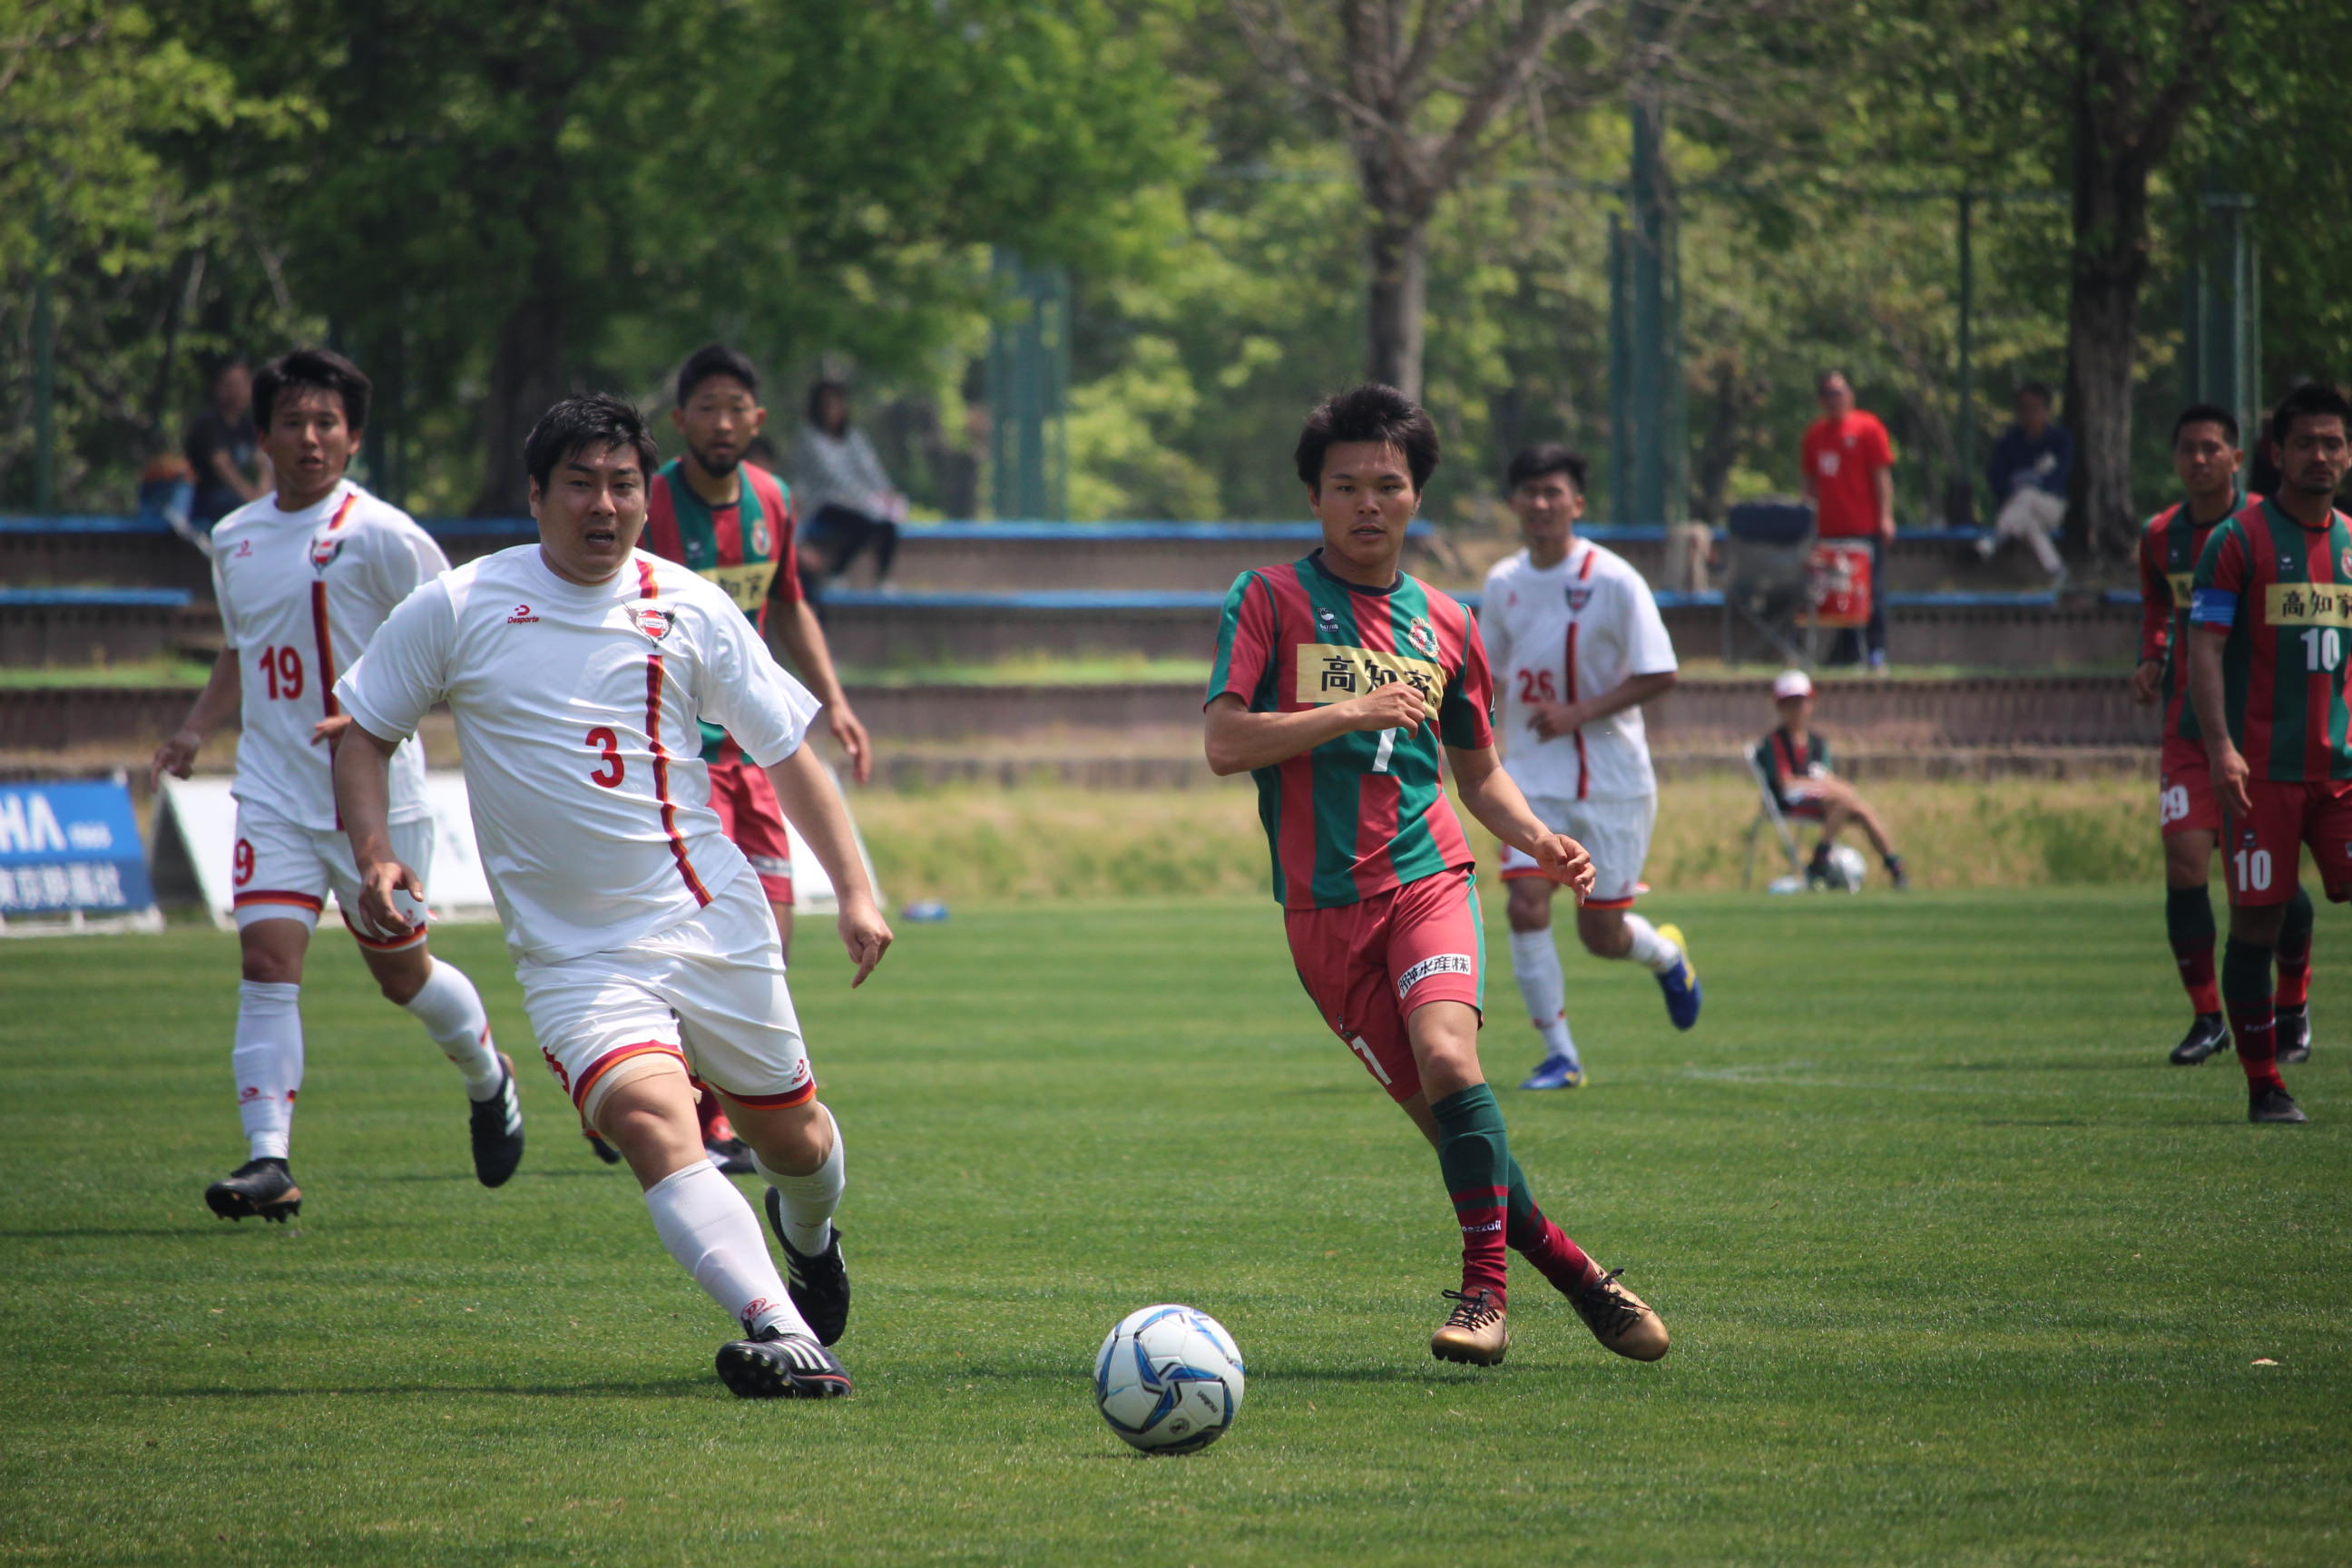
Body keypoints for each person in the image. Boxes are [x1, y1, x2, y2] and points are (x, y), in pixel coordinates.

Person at [331, 394, 890, 1396]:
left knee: (795, 1142)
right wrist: (376, 853)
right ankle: (781, 1328)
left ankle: (808, 1237)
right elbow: (365, 731)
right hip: (574, 957)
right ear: (535, 494)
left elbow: (787, 753)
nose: (604, 504)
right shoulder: (460, 605)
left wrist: (855, 891)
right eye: (580, 484)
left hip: (708, 920)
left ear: (644, 495)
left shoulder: (691, 606)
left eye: (623, 485)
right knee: (648, 1122)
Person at [1204, 383, 1669, 1369]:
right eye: (1345, 487)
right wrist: (1349, 710)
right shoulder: (1269, 600)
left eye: (1388, 484)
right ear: (1314, 498)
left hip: (1429, 880)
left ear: (1417, 496)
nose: (1367, 504)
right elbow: (1225, 743)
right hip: (1322, 916)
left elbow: (1480, 773)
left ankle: (1483, 1300)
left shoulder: (1451, 622)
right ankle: (1581, 1276)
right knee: (1463, 1138)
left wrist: (1539, 840)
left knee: (1454, 1065)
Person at [151, 348, 524, 1222]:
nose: (310, 438)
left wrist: (375, 714)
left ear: (354, 438)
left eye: (327, 423)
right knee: (265, 961)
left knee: (402, 977)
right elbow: (243, 650)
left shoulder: (388, 536)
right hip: (273, 788)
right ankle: (268, 1160)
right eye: (293, 422)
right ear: (263, 435)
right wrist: (196, 728)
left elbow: (458, 644)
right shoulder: (235, 538)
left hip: (376, 800)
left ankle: (488, 1076)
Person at [638, 344, 877, 1175]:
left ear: (758, 420)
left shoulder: (773, 498)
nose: (722, 422)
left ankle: (711, 1104)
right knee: (691, 937)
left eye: (735, 407)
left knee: (768, 938)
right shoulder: (650, 504)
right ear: (681, 420)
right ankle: (690, 1110)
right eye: (706, 407)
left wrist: (834, 702)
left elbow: (790, 604)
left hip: (757, 754)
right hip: (680, 759)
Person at [1480, 444, 1699, 1093]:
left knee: (1600, 934)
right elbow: (1487, 675)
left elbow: (1661, 671)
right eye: (1529, 492)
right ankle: (1560, 1056)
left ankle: (1666, 956)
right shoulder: (1503, 584)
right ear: (1514, 503)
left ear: (1577, 502)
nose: (1540, 504)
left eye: (1553, 492)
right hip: (1532, 776)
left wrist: (1580, 712)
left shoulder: (1615, 580)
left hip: (1612, 780)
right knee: (1525, 905)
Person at [2184, 382, 2352, 1125]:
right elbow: (2205, 648)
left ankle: (2296, 1010)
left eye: (2333, 442)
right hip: (2261, 775)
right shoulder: (2237, 541)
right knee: (2257, 925)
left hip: (2342, 771)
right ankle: (2265, 1087)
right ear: (2277, 454)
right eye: (2306, 443)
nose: (2321, 455)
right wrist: (2220, 747)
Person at [2133, 406, 2316, 1068]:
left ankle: (2293, 1003)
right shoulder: (2160, 536)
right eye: (2189, 448)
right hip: (2189, 732)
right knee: (2185, 863)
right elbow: (2159, 604)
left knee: (2270, 881)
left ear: (2238, 458)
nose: (2199, 459)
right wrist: (2153, 655)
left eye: (2212, 448)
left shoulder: (2266, 527)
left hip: (2261, 732)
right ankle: (2208, 1017)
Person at [1753, 670, 1907, 888]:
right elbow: (1785, 782)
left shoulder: (1817, 743)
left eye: (1801, 702)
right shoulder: (1775, 742)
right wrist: (1827, 786)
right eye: (1791, 703)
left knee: (1860, 809)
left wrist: (1840, 787)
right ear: (1781, 706)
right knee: (1844, 802)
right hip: (1789, 801)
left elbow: (1826, 776)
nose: (1797, 709)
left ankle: (1895, 867)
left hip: (1825, 801)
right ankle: (1821, 857)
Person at [1799, 370, 1896, 671]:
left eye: (1839, 392)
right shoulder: (1815, 436)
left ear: (1850, 395)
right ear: (1820, 400)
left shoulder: (1868, 428)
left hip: (1864, 527)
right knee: (1838, 594)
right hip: (1829, 530)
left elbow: (1881, 476)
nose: (1834, 399)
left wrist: (1886, 516)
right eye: (1828, 394)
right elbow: (1810, 483)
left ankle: (1876, 651)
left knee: (1870, 591)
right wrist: (1808, 520)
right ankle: (1848, 652)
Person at [789, 381, 905, 596]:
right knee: (862, 526)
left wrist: (886, 491)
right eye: (828, 405)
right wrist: (866, 499)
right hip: (825, 502)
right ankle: (837, 572)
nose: (833, 411)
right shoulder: (810, 437)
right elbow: (832, 476)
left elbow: (870, 468)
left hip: (860, 502)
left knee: (887, 524)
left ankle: (882, 579)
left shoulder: (853, 436)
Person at [1978, 382, 2073, 588]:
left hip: (2050, 506)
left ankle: (1996, 538)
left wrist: (2028, 485)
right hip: (2017, 510)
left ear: (2046, 410)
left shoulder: (2059, 441)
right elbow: (1996, 479)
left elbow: (2058, 480)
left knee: (2027, 494)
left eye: (2034, 408)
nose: (2029, 414)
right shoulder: (2008, 442)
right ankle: (2057, 570)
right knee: (2029, 522)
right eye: (2023, 408)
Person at [183, 358, 271, 543]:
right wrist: (251, 498)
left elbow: (262, 462)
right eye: (232, 385)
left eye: (243, 384)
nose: (238, 391)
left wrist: (264, 493)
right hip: (210, 499)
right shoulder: (209, 424)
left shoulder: (248, 425)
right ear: (218, 388)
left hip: (245, 496)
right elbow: (223, 467)